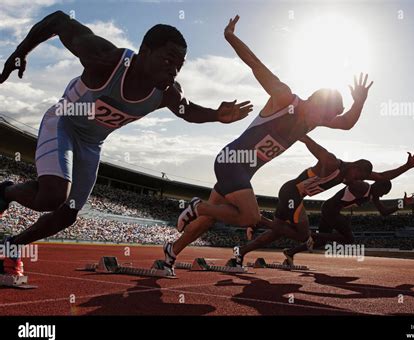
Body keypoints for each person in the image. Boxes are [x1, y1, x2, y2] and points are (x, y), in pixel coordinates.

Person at [0, 11, 252, 276]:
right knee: (52, 196)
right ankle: (5, 191)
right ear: (144, 50)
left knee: (68, 214)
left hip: (91, 143)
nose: (173, 70)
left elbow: (186, 111)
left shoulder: (167, 92)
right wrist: (20, 52)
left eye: (179, 65)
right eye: (168, 59)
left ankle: (12, 246)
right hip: (64, 122)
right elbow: (59, 20)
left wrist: (216, 115)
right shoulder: (107, 60)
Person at [166, 15, 373, 273]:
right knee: (250, 217)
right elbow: (256, 64)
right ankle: (197, 206)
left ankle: (170, 253)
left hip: (242, 172)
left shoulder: (311, 121)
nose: (324, 122)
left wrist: (360, 102)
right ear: (316, 102)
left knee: (208, 220)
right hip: (232, 161)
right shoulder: (284, 98)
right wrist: (230, 37)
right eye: (324, 116)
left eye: (327, 119)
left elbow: (346, 123)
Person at [230, 136, 414, 266]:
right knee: (302, 235)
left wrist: (407, 166)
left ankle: (241, 253)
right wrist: (298, 130)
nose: (355, 182)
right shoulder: (332, 163)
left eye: (360, 180)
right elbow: (309, 142)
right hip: (292, 192)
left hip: (293, 195)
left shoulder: (352, 177)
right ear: (354, 165)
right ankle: (260, 219)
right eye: (357, 177)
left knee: (276, 233)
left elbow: (383, 176)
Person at [282, 180, 414, 266]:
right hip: (331, 210)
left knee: (322, 241)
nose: (382, 196)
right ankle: (313, 235)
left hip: (330, 209)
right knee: (349, 238)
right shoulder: (361, 185)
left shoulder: (372, 194)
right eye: (384, 193)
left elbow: (384, 212)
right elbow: (345, 179)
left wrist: (402, 203)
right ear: (378, 186)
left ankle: (291, 252)